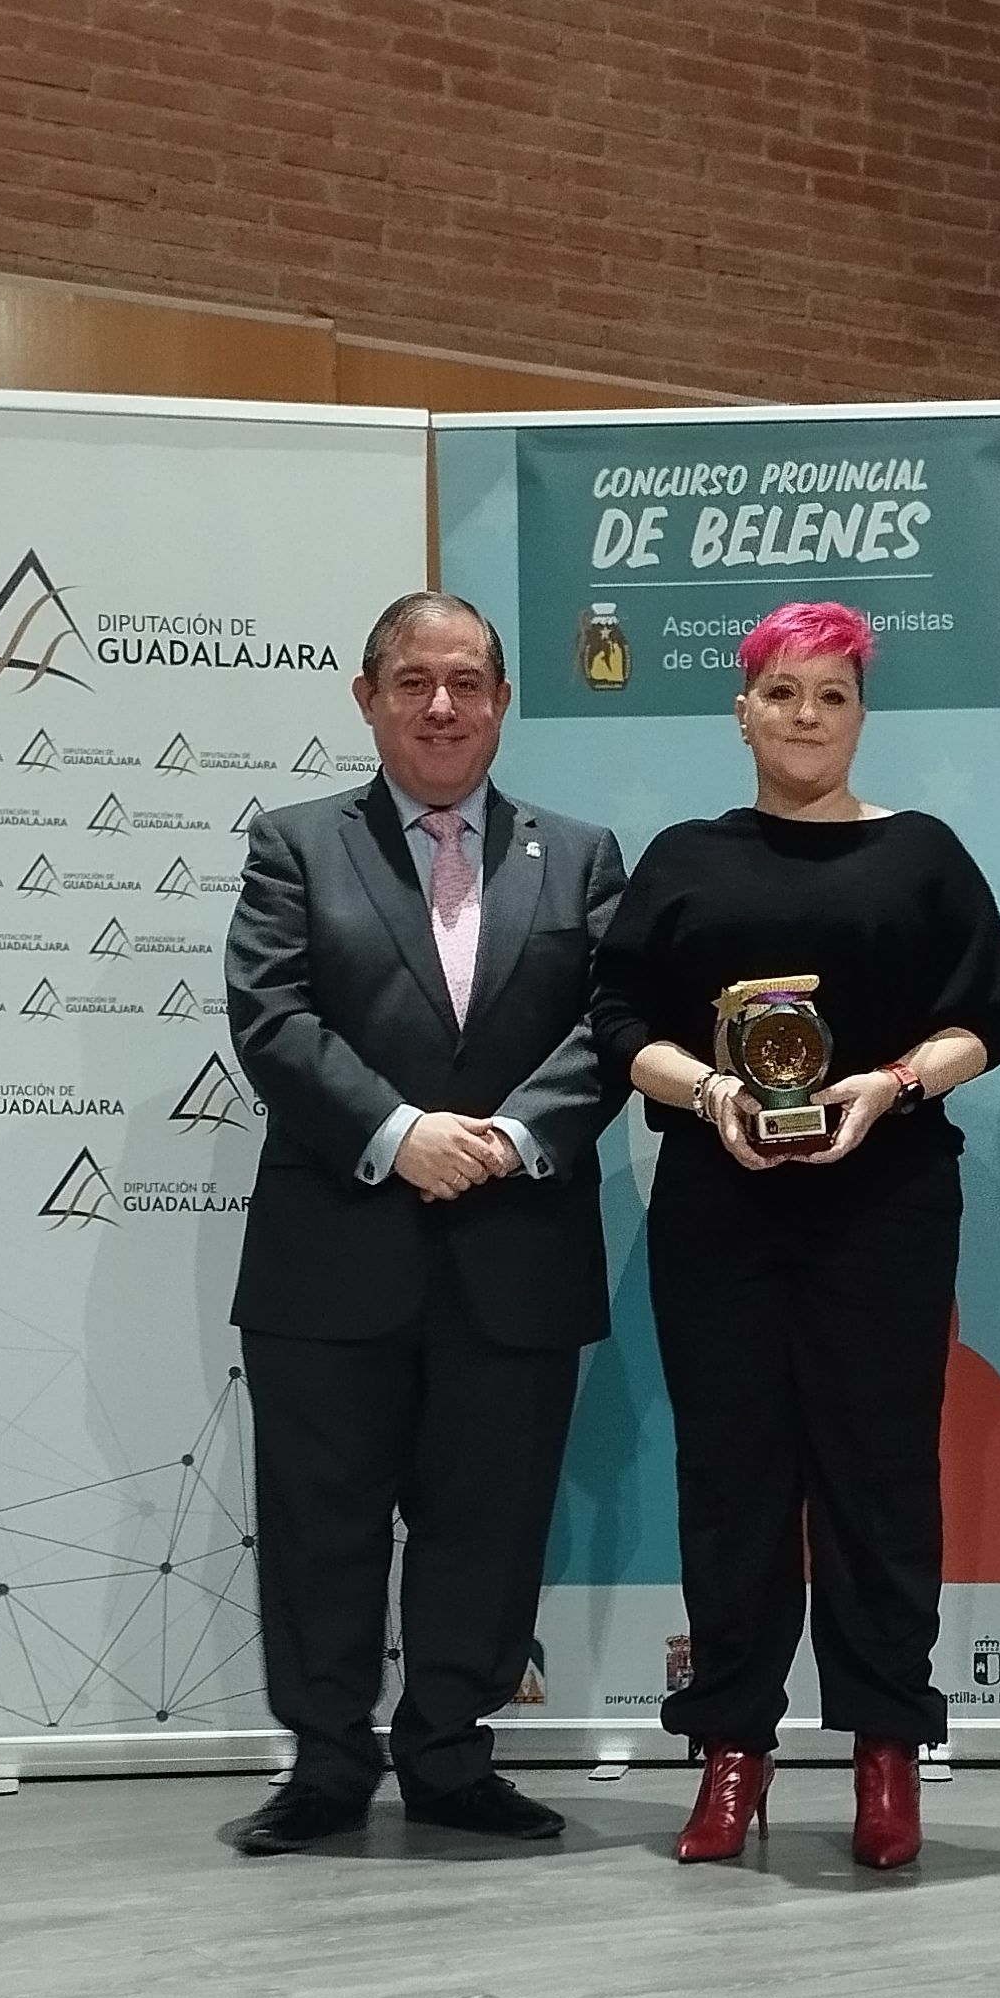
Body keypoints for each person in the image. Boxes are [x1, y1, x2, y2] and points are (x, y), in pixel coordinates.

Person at [591, 599, 1000, 1869]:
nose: (807, 716)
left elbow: (985, 1020)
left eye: (833, 695)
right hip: (719, 1208)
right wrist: (712, 1092)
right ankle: (734, 1750)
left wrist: (891, 1085)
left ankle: (887, 1750)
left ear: (861, 716)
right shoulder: (683, 858)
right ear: (742, 712)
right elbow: (619, 1022)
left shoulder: (923, 853)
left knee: (879, 1479)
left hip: (885, 1208)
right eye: (783, 693)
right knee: (731, 1481)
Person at [223, 590, 625, 1854]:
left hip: (516, 1252)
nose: (440, 705)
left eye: (466, 683)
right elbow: (273, 1018)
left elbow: (614, 1028)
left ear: (503, 701)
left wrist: (506, 1137)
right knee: (320, 1526)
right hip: (331, 1258)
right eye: (413, 682)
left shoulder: (583, 855)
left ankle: (451, 1755)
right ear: (368, 699)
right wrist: (401, 1135)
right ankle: (326, 1765)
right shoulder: (295, 844)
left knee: (487, 1526)